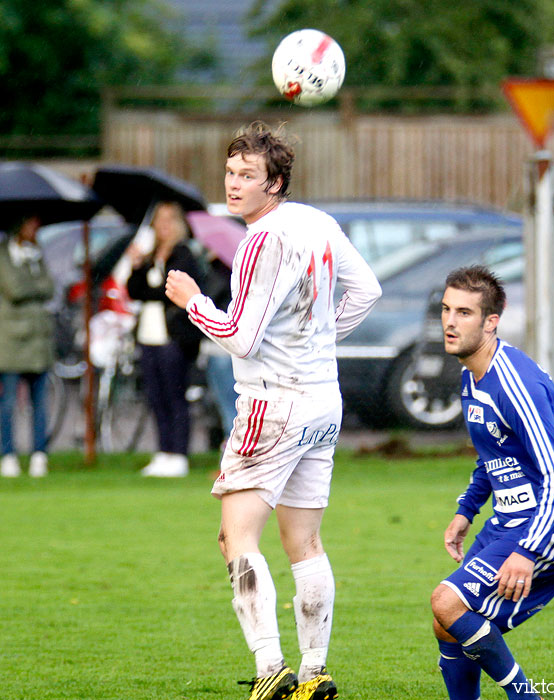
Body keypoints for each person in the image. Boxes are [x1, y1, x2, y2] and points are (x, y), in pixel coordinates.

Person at [165, 121, 381, 700]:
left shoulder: (261, 240)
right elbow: (367, 292)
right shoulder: (318, 222)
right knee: (304, 543)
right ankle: (315, 672)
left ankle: (270, 670)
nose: (234, 185)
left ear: (275, 182)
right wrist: (318, 345)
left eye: (248, 176)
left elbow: (238, 336)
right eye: (231, 173)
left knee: (235, 537)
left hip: (274, 405)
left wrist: (192, 301)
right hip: (321, 401)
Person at [430, 265, 554, 700]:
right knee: (447, 623)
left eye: (464, 313)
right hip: (513, 519)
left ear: (491, 322)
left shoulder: (514, 383)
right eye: (447, 309)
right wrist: (466, 509)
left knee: (448, 604)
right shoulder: (472, 373)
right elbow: (496, 454)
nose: (450, 321)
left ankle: (525, 696)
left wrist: (528, 550)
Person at [126, 201, 204, 477]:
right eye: (159, 220)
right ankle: (163, 451)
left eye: (170, 219)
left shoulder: (183, 255)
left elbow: (168, 292)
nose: (164, 225)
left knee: (175, 395)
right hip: (148, 335)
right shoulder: (150, 256)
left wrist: (152, 287)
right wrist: (136, 265)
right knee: (155, 396)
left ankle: (179, 453)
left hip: (173, 337)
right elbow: (135, 291)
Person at [0, 215, 54, 478]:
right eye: (30, 223)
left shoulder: (37, 255)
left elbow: (50, 287)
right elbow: (15, 289)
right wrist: (34, 286)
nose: (35, 228)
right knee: (8, 402)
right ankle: (8, 454)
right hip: (11, 341)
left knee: (39, 403)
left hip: (38, 340)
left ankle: (39, 454)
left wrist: (33, 282)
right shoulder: (4, 255)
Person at [200, 255, 238, 447]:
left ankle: (232, 455)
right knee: (233, 406)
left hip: (221, 347)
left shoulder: (222, 269)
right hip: (230, 346)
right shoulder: (243, 269)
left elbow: (210, 297)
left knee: (229, 407)